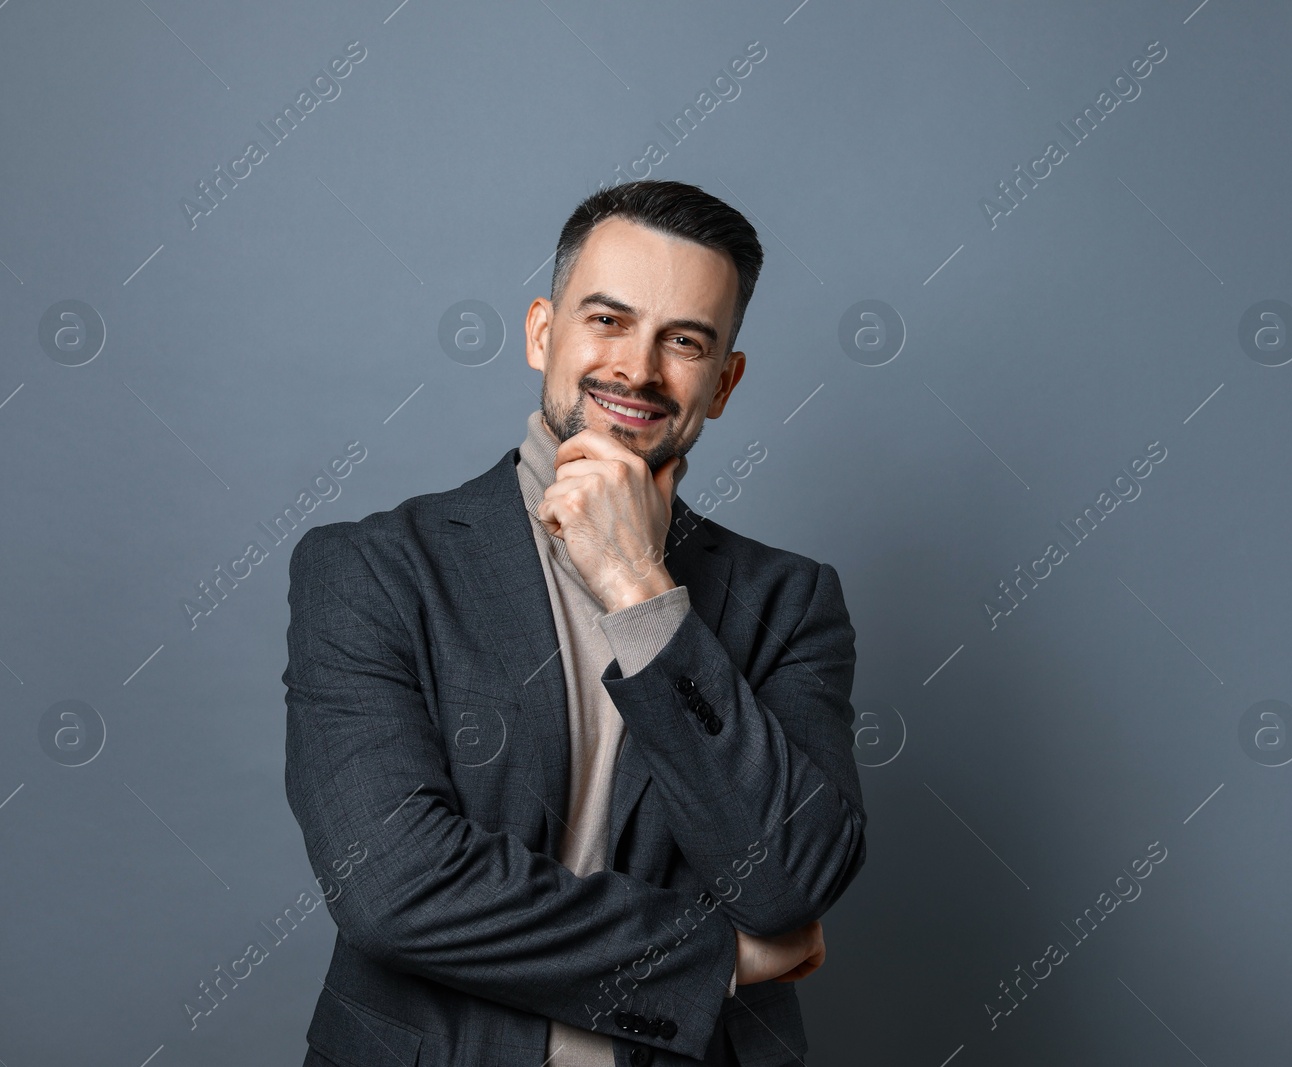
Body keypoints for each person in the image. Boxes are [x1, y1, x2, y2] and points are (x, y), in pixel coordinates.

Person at [283, 178, 866, 1066]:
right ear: (542, 334)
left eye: (684, 340)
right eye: (607, 320)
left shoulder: (790, 603)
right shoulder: (373, 570)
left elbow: (788, 881)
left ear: (724, 382)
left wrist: (639, 586)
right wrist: (717, 958)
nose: (637, 369)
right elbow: (391, 887)